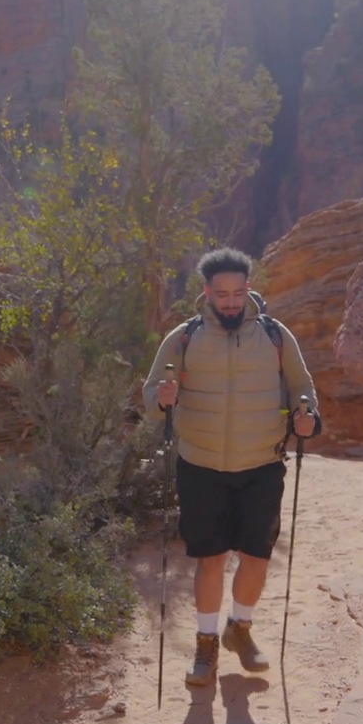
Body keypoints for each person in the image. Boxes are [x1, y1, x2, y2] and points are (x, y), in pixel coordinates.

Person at [144, 247, 319, 687]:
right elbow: (150, 393)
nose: (230, 303)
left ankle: (239, 629)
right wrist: (160, 399)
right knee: (210, 559)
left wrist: (307, 416)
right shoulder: (183, 337)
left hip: (262, 464)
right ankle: (206, 645)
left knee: (256, 558)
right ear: (206, 292)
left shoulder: (275, 335)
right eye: (221, 295)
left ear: (248, 289)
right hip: (201, 464)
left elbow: (301, 386)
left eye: (237, 294)